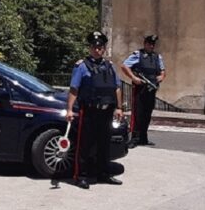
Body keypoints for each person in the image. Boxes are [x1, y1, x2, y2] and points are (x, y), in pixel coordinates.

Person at [66, 31, 124, 189]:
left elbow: (117, 88)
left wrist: (119, 108)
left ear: (104, 48)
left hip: (106, 111)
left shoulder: (110, 67)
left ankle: (104, 174)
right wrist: (70, 109)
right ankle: (81, 176)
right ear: (90, 48)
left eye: (100, 47)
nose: (97, 50)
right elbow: (74, 89)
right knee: (84, 146)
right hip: (89, 111)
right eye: (94, 47)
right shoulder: (82, 66)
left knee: (104, 144)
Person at [120, 35, 166, 147]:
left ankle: (143, 138)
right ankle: (135, 138)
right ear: (145, 43)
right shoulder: (138, 55)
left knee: (147, 114)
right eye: (149, 44)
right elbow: (124, 66)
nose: (151, 46)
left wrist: (161, 76)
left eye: (153, 44)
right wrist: (134, 78)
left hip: (151, 89)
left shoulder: (157, 57)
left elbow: (163, 71)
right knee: (137, 113)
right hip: (140, 89)